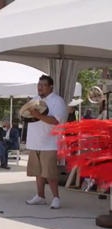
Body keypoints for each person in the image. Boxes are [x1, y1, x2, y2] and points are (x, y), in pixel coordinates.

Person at [25, 75, 66, 209]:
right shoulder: (34, 100)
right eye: (39, 84)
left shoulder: (57, 101)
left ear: (50, 87)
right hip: (35, 141)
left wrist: (38, 115)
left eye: (43, 85)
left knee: (50, 173)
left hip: (49, 142)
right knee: (38, 172)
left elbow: (55, 120)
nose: (40, 87)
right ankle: (40, 196)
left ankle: (56, 198)